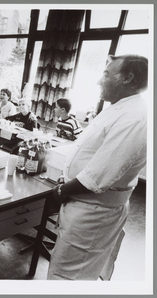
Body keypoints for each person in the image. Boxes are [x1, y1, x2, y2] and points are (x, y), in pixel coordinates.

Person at [48, 54, 148, 280]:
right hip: (83, 204)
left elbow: (98, 176)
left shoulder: (136, 116)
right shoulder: (118, 108)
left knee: (69, 276)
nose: (99, 81)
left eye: (106, 74)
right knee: (65, 268)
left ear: (128, 78)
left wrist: (62, 191)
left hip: (93, 211)